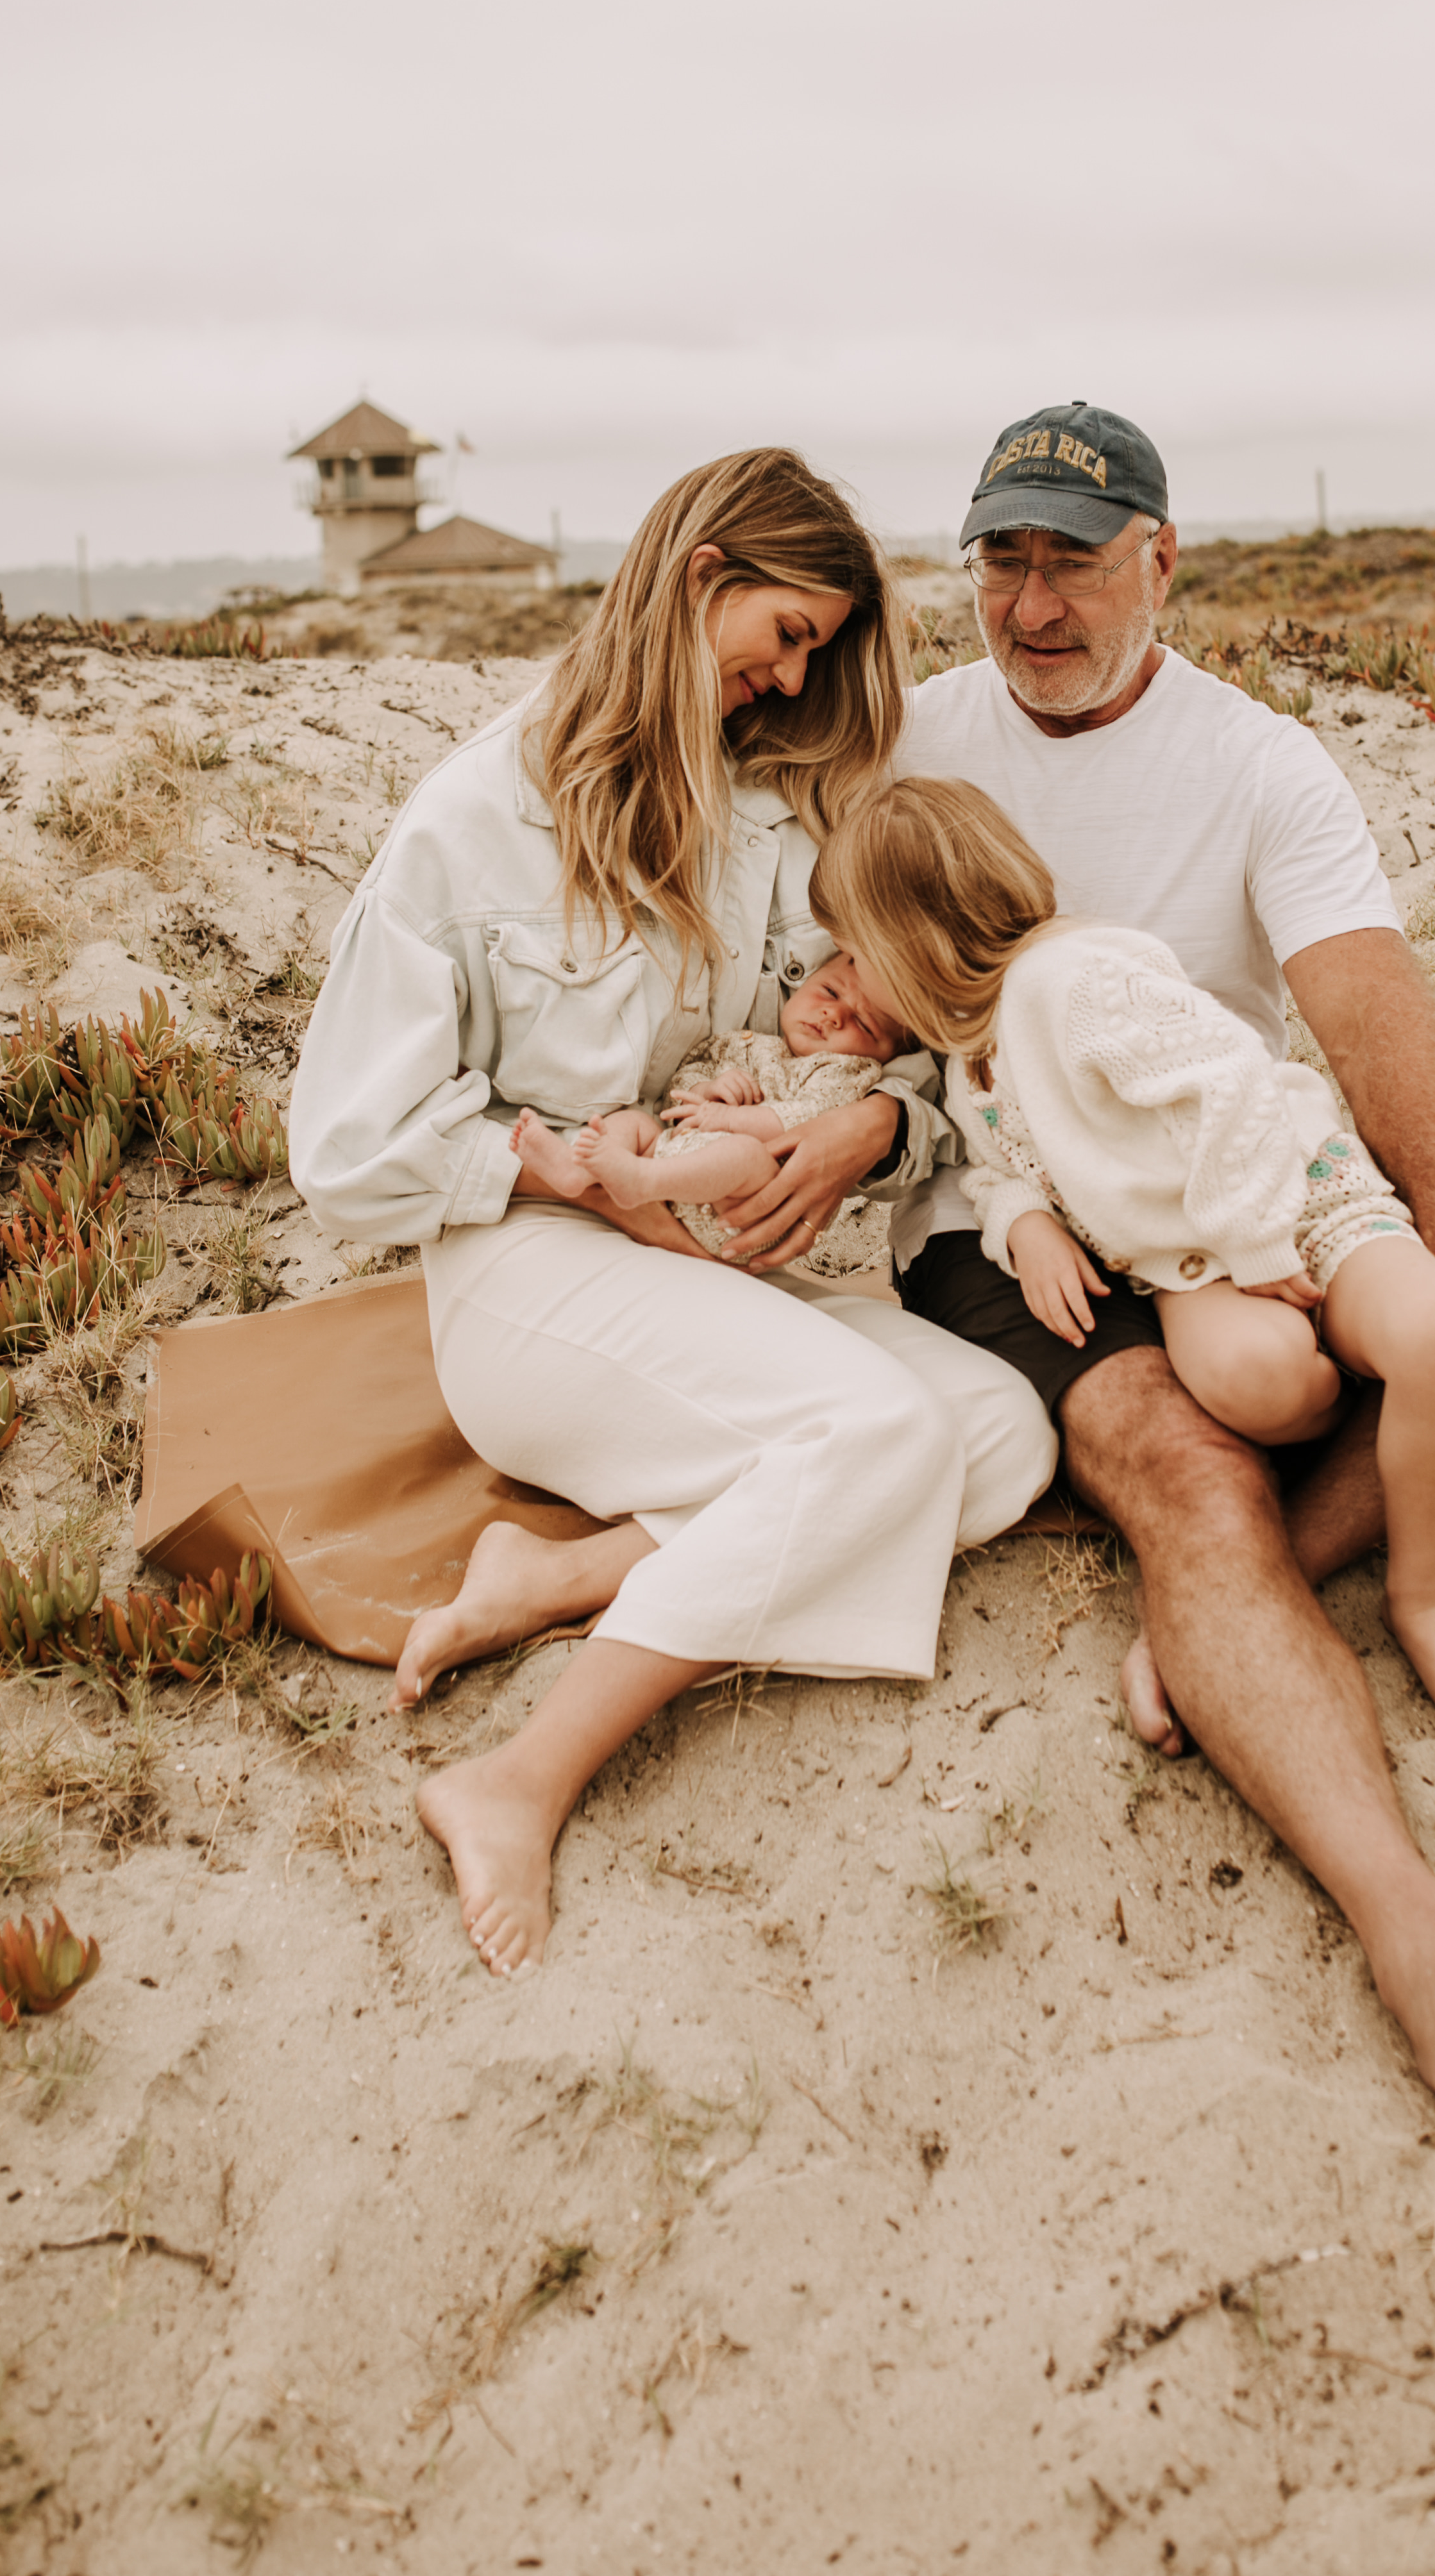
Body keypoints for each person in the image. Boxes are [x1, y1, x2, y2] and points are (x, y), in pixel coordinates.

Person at [755, 400, 1435, 2112]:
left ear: (1161, 563)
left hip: (1231, 1191)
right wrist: (882, 1130)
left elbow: (1364, 1014)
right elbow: (845, 998)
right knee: (1191, 1470)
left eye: (1075, 562)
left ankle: (1248, 1603)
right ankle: (1423, 1933)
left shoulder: (1261, 764)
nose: (1034, 605)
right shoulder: (913, 738)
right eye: (1004, 561)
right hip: (1016, 1228)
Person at [287, 449, 1057, 1978]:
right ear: (699, 576)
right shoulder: (468, 827)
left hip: (706, 1263)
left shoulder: (774, 818)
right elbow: (347, 1146)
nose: (788, 682)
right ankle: (518, 1777)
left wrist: (865, 1129)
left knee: (1001, 1433)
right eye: (782, 634)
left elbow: (865, 1035)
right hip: (531, 1273)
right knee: (881, 1441)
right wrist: (549, 1163)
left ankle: (566, 1575)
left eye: (819, 655)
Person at [810, 776, 1435, 1732]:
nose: (847, 976)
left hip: (1295, 1202)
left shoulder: (1072, 981)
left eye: (857, 952)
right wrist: (1026, 1225)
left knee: (1433, 1331)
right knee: (1256, 1381)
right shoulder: (970, 1054)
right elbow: (998, 1163)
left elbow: (1232, 1085)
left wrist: (1260, 1241)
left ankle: (1419, 1599)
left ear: (912, 939)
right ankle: (1361, 1403)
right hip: (1185, 1261)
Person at [507, 947, 907, 1257]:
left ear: (886, 1054)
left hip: (748, 1207)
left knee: (747, 1153)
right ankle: (574, 1171)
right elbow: (682, 1086)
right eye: (830, 992)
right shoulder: (750, 1043)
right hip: (682, 1166)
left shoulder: (850, 1071)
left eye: (864, 1023)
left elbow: (806, 1118)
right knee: (635, 1124)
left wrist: (729, 1117)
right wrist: (707, 1090)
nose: (833, 1014)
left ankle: (639, 1182)